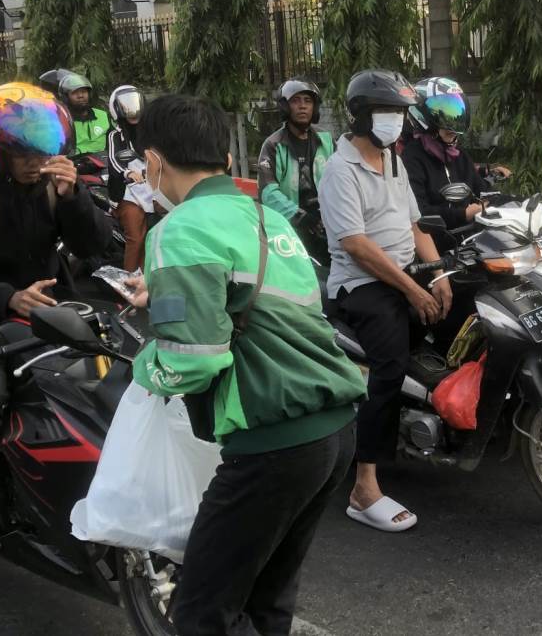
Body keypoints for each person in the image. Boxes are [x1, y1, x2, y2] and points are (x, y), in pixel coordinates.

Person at [124, 94, 365, 635]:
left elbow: (195, 358)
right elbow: (254, 301)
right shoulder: (264, 217)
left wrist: (142, 373)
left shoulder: (177, 230)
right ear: (226, 160)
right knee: (267, 599)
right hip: (333, 431)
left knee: (201, 613)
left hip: (272, 443)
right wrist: (160, 295)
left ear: (156, 162)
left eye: (146, 167)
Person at [0, 82, 112, 553]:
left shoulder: (51, 188)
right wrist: (9, 298)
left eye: (44, 152)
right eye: (24, 154)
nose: (37, 163)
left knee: (105, 370)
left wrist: (74, 198)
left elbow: (94, 245)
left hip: (47, 307)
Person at [318, 69, 452, 533]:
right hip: (363, 285)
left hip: (404, 273)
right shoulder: (340, 170)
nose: (395, 121)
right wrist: (413, 289)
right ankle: (364, 486)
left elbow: (416, 226)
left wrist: (437, 274)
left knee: (467, 318)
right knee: (389, 367)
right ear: (360, 115)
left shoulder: (393, 160)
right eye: (386, 112)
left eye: (399, 112)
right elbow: (355, 243)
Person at [400, 76, 509, 230]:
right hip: (436, 244)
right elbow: (419, 212)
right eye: (444, 112)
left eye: (455, 109)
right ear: (423, 115)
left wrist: (523, 204)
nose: (453, 122)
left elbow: (483, 192)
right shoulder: (411, 158)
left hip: (469, 240)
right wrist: (463, 214)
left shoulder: (458, 155)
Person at [257, 78, 334, 265]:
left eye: (308, 101)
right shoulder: (273, 145)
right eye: (296, 101)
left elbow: (342, 179)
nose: (302, 106)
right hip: (289, 229)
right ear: (285, 107)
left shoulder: (327, 140)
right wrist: (301, 216)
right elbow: (268, 193)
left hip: (328, 225)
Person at [107, 84, 157, 272]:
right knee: (135, 238)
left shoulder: (152, 133)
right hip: (128, 192)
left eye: (135, 105)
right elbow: (113, 160)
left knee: (154, 237)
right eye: (127, 107)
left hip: (153, 188)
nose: (133, 112)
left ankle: (147, 278)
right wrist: (127, 173)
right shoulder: (114, 136)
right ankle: (128, 282)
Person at [58, 72, 111, 155]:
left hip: (104, 162)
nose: (80, 96)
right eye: (74, 92)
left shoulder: (103, 115)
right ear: (66, 97)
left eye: (83, 91)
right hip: (74, 164)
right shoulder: (61, 120)